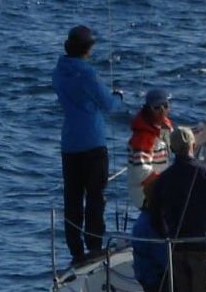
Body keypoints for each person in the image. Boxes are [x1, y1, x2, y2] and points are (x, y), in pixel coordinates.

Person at [52, 24, 118, 263]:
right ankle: (94, 246)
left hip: (69, 143)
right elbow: (108, 104)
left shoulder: (58, 72)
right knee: (95, 196)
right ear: (86, 48)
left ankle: (75, 251)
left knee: (72, 198)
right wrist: (118, 97)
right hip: (92, 142)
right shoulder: (86, 73)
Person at [149, 126, 206, 292]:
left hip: (178, 246)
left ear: (172, 149)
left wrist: (166, 235)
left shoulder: (163, 179)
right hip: (204, 246)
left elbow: (154, 216)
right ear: (193, 145)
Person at [126, 88, 173, 210]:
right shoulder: (142, 138)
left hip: (159, 186)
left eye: (165, 106)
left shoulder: (163, 127)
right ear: (148, 109)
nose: (162, 110)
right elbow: (141, 172)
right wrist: (170, 182)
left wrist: (204, 133)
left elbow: (177, 142)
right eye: (157, 107)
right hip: (144, 194)